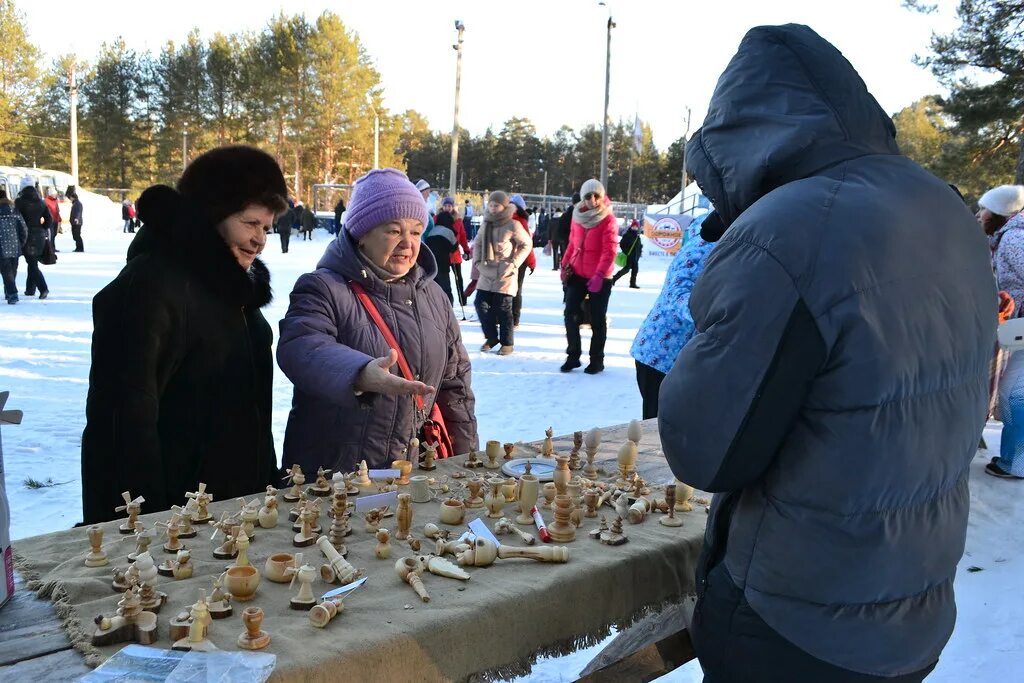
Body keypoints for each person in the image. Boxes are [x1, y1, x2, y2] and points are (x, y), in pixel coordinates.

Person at [658, 24, 996, 682]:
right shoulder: (944, 209)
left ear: (738, 137)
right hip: (914, 602)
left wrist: (727, 299)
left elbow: (704, 447)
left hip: (800, 624)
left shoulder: (789, 232)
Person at [80, 146, 286, 525]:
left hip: (234, 508)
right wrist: (139, 526)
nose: (260, 241)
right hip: (178, 517)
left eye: (266, 228)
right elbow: (121, 422)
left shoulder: (236, 288)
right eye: (250, 223)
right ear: (214, 213)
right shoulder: (150, 286)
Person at [277, 168, 478, 473]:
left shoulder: (435, 297)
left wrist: (467, 462)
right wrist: (359, 373)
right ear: (361, 235)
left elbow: (456, 387)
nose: (408, 243)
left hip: (413, 472)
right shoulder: (322, 288)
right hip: (336, 477)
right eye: (394, 230)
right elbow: (302, 347)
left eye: (415, 230)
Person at [630, 215, 715, 418]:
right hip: (657, 355)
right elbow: (676, 292)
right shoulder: (703, 247)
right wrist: (711, 316)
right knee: (657, 426)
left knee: (671, 423)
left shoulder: (714, 246)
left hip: (674, 355)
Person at [978, 185, 1024, 479]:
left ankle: (1016, 463)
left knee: (1012, 394)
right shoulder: (1008, 237)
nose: (979, 214)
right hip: (1018, 326)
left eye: (984, 209)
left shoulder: (1013, 240)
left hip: (1022, 327)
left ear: (999, 212)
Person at [560, 180, 618, 374]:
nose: (592, 200)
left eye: (596, 196)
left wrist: (600, 275)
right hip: (577, 273)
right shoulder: (577, 215)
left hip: (599, 276)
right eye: (588, 196)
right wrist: (564, 265)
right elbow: (571, 244)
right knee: (570, 313)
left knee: (597, 319)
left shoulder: (608, 219)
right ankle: (573, 355)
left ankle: (597, 359)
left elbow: (609, 251)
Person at [472, 191, 531, 355]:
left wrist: (514, 263)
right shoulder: (486, 223)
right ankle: (491, 338)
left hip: (504, 273)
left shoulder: (513, 225)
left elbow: (527, 244)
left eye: (496, 205)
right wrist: (477, 262)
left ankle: (507, 343)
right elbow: (477, 244)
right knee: (480, 304)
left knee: (503, 308)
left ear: (504, 206)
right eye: (490, 205)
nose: (493, 209)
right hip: (486, 270)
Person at [15, 179, 52, 299]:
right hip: (40, 235)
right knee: (32, 262)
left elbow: (17, 219)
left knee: (32, 263)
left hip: (27, 236)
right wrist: (42, 228)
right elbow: (49, 220)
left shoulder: (19, 202)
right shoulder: (41, 202)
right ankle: (30, 289)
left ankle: (43, 288)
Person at [437, 196, 471, 307]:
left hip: (455, 253)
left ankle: (462, 299)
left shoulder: (458, 220)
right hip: (442, 254)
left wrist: (466, 250)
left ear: (453, 207)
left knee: (458, 278)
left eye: (449, 206)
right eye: (445, 206)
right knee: (443, 278)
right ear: (442, 206)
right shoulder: (437, 218)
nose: (447, 208)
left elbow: (462, 237)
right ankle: (445, 300)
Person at [509, 194, 537, 327]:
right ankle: (514, 318)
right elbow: (528, 244)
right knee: (516, 289)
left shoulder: (504, 218)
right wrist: (532, 263)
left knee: (506, 289)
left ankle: (507, 317)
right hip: (520, 259)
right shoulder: (522, 220)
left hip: (508, 258)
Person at [424, 196, 458, 304]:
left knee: (434, 287)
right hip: (443, 264)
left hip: (431, 263)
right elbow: (454, 248)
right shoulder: (449, 232)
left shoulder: (432, 231)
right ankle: (448, 307)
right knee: (446, 288)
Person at [0, 188, 28, 304]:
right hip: (15, 246)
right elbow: (24, 229)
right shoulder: (14, 211)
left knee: (6, 272)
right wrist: (21, 243)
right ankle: (9, 291)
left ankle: (12, 293)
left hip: (1, 247)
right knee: (12, 270)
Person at [612, 219, 642, 288]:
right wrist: (626, 252)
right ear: (631, 227)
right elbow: (622, 244)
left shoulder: (637, 236)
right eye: (633, 226)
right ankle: (614, 278)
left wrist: (639, 254)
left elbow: (639, 246)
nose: (635, 228)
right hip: (629, 256)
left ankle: (632, 284)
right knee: (626, 269)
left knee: (635, 270)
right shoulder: (627, 234)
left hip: (635, 257)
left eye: (636, 227)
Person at [68, 187, 84, 252]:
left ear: (73, 197)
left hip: (77, 222)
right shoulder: (75, 203)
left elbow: (78, 212)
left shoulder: (78, 204)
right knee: (75, 236)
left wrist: (77, 219)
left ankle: (80, 248)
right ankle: (78, 247)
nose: (70, 199)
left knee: (77, 235)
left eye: (71, 198)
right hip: (74, 222)